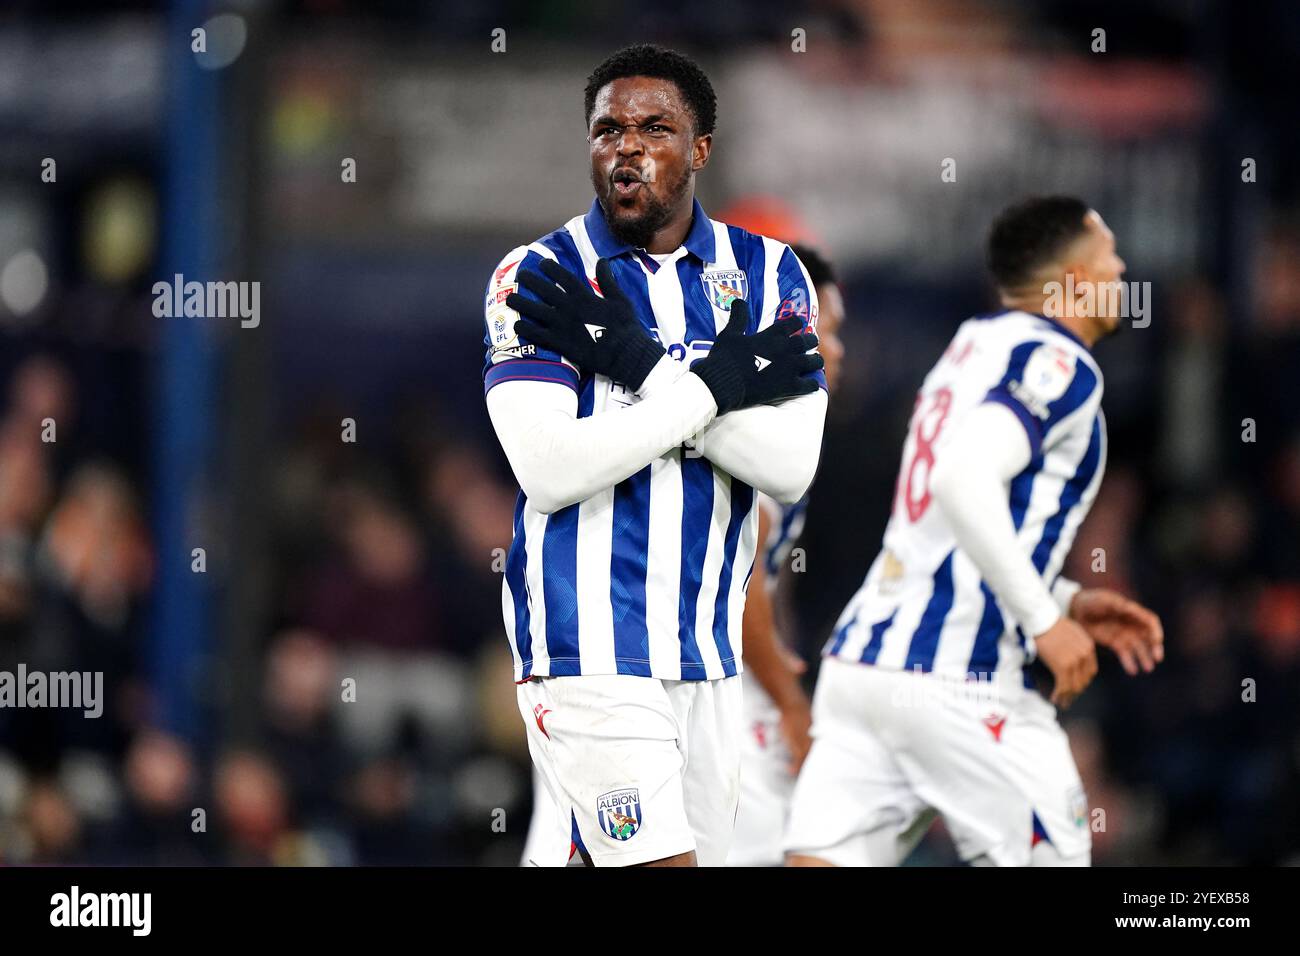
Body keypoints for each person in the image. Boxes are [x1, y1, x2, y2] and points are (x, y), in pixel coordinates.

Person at [485, 44, 827, 867]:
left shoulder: (771, 273)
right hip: (585, 640)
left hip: (707, 655)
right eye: (607, 129)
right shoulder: (537, 276)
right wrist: (720, 384)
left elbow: (788, 465)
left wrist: (635, 363)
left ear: (701, 147)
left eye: (654, 128)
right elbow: (551, 470)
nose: (626, 146)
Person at [784, 196, 1164, 867]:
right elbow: (962, 482)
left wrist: (1068, 596)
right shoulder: (1059, 363)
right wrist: (1045, 618)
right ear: (1074, 279)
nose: (1123, 271)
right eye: (1110, 258)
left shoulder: (969, 348)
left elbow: (945, 521)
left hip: (864, 670)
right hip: (961, 678)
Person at [726, 244, 846, 866]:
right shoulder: (762, 429)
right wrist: (790, 701)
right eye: (827, 329)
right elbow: (740, 580)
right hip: (712, 690)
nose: (839, 349)